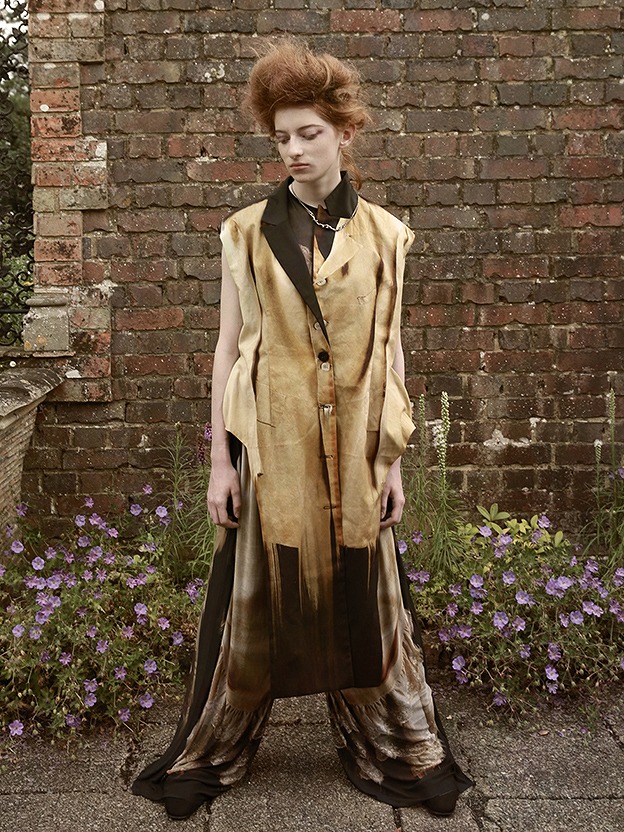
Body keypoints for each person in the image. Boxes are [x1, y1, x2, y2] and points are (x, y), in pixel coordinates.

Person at [132, 39, 472, 821]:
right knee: (251, 607)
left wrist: (391, 462)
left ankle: (396, 743)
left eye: (308, 133)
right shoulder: (245, 233)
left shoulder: (386, 238)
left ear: (345, 132)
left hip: (354, 454)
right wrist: (220, 463)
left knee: (367, 604)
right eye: (281, 136)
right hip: (270, 450)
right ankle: (218, 744)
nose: (292, 149)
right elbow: (226, 350)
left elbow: (388, 354)